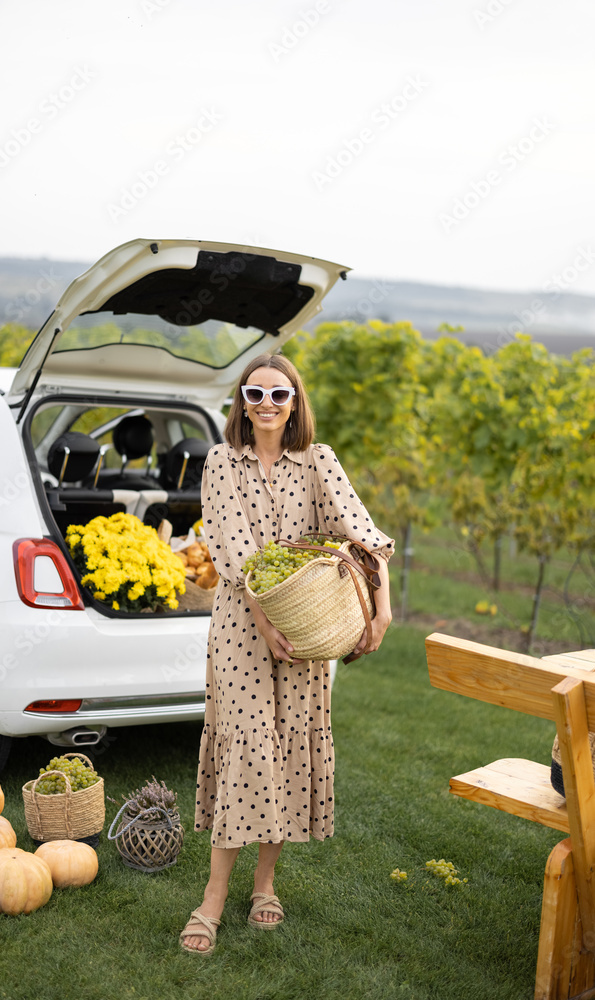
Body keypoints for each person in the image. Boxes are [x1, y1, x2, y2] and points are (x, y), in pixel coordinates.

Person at [180, 352, 394, 954]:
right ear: (241, 404)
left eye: (279, 395)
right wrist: (263, 617)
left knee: (287, 748)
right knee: (248, 746)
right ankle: (213, 899)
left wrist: (383, 608)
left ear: (295, 401)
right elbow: (235, 549)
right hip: (243, 627)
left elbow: (362, 534)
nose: (267, 405)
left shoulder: (318, 460)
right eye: (255, 395)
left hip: (305, 625)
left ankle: (265, 886)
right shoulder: (222, 462)